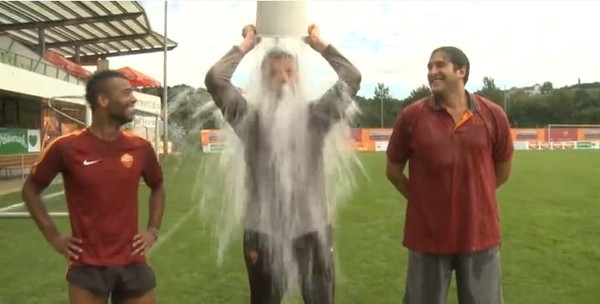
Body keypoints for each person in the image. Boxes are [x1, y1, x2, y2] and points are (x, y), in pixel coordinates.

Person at [205, 24, 361, 304]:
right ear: (262, 81)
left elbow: (351, 77)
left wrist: (319, 44)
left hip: (312, 229)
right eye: (274, 74)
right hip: (262, 231)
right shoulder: (248, 120)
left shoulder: (317, 116)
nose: (283, 80)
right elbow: (216, 79)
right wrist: (247, 44)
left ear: (299, 78)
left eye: (290, 72)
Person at [22, 70, 165, 304]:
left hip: (133, 263)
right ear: (103, 100)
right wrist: (54, 237)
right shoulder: (65, 147)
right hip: (87, 267)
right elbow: (31, 189)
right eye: (127, 92)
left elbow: (158, 186)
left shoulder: (140, 147)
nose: (134, 98)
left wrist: (152, 230)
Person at [386, 46, 514, 304]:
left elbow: (502, 169)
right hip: (427, 237)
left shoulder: (493, 115)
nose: (432, 72)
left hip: (480, 233)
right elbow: (393, 170)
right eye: (429, 67)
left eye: (439, 65)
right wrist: (422, 201)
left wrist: (477, 197)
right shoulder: (412, 116)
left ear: (461, 71)